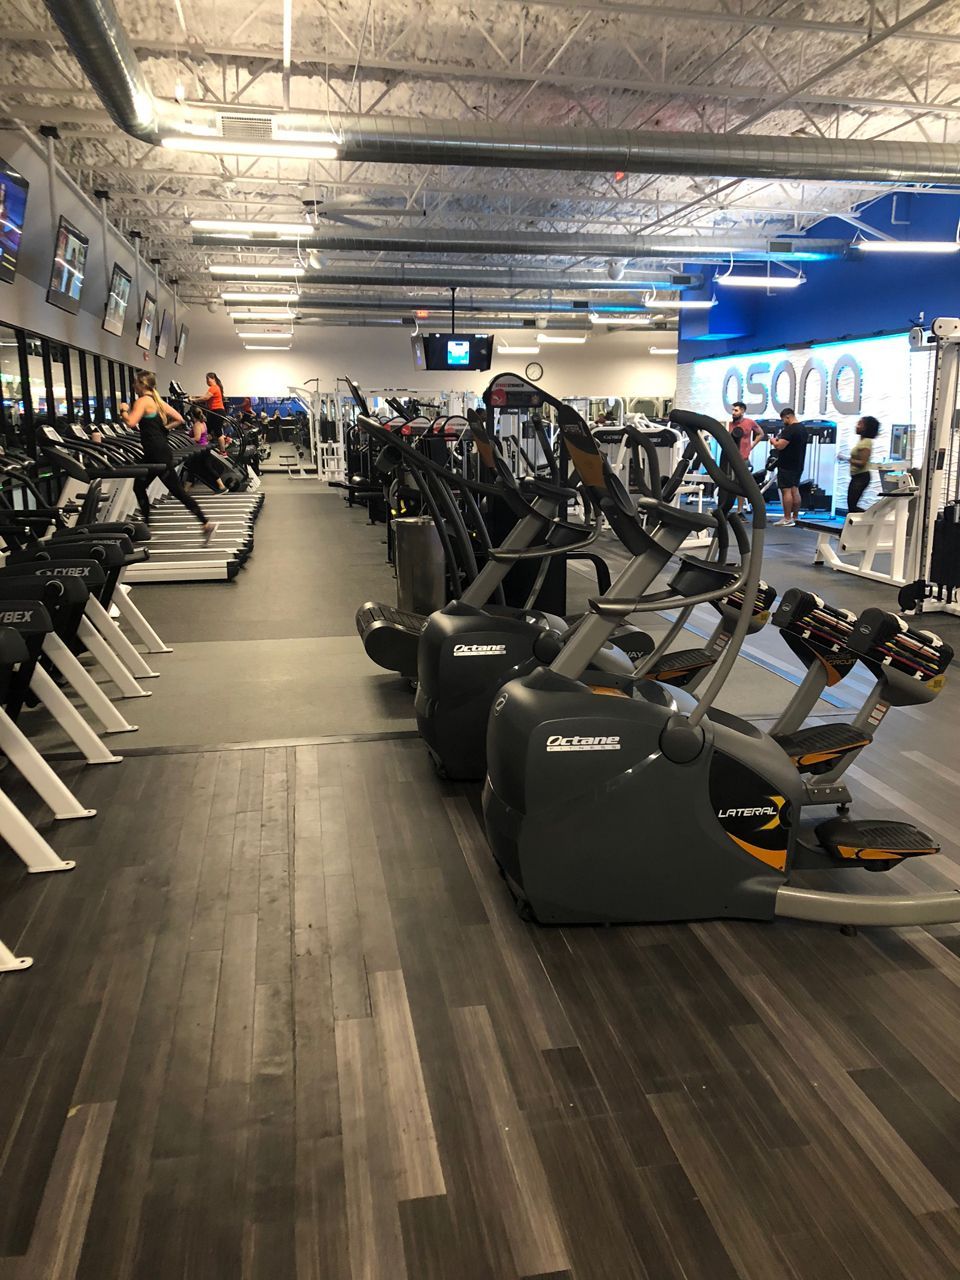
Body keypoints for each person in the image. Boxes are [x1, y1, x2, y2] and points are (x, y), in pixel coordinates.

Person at [120, 370, 217, 540]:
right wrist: (164, 429)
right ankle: (148, 526)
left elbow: (130, 423)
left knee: (177, 491)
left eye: (136, 383)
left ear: (142, 384)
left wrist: (123, 411)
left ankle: (206, 523)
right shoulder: (157, 401)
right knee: (140, 486)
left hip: (156, 454)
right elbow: (179, 418)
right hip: (157, 451)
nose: (134, 386)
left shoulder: (142, 401)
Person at [770, 407, 808, 527]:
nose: (783, 422)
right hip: (798, 464)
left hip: (787, 464)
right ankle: (795, 518)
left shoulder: (790, 429)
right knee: (794, 490)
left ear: (787, 417)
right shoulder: (803, 428)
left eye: (783, 420)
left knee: (786, 490)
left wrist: (773, 441)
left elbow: (780, 446)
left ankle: (787, 518)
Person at [728, 401, 765, 512]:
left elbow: (761, 433)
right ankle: (726, 509)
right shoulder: (730, 424)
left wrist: (752, 445)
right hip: (730, 459)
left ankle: (739, 510)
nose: (733, 413)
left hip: (743, 459)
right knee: (729, 484)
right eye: (733, 410)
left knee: (741, 485)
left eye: (736, 410)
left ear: (742, 411)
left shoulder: (749, 423)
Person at [183, 406, 228, 493]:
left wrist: (186, 439)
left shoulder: (197, 425)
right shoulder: (203, 423)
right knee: (195, 469)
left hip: (199, 450)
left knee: (195, 468)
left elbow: (197, 438)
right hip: (205, 448)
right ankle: (185, 491)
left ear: (192, 415)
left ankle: (222, 487)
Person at [843, 415, 880, 513]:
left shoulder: (866, 442)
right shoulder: (862, 441)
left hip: (861, 477)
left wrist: (847, 459)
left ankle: (870, 519)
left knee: (852, 507)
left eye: (860, 424)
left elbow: (862, 463)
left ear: (866, 428)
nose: (857, 426)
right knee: (851, 506)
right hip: (857, 477)